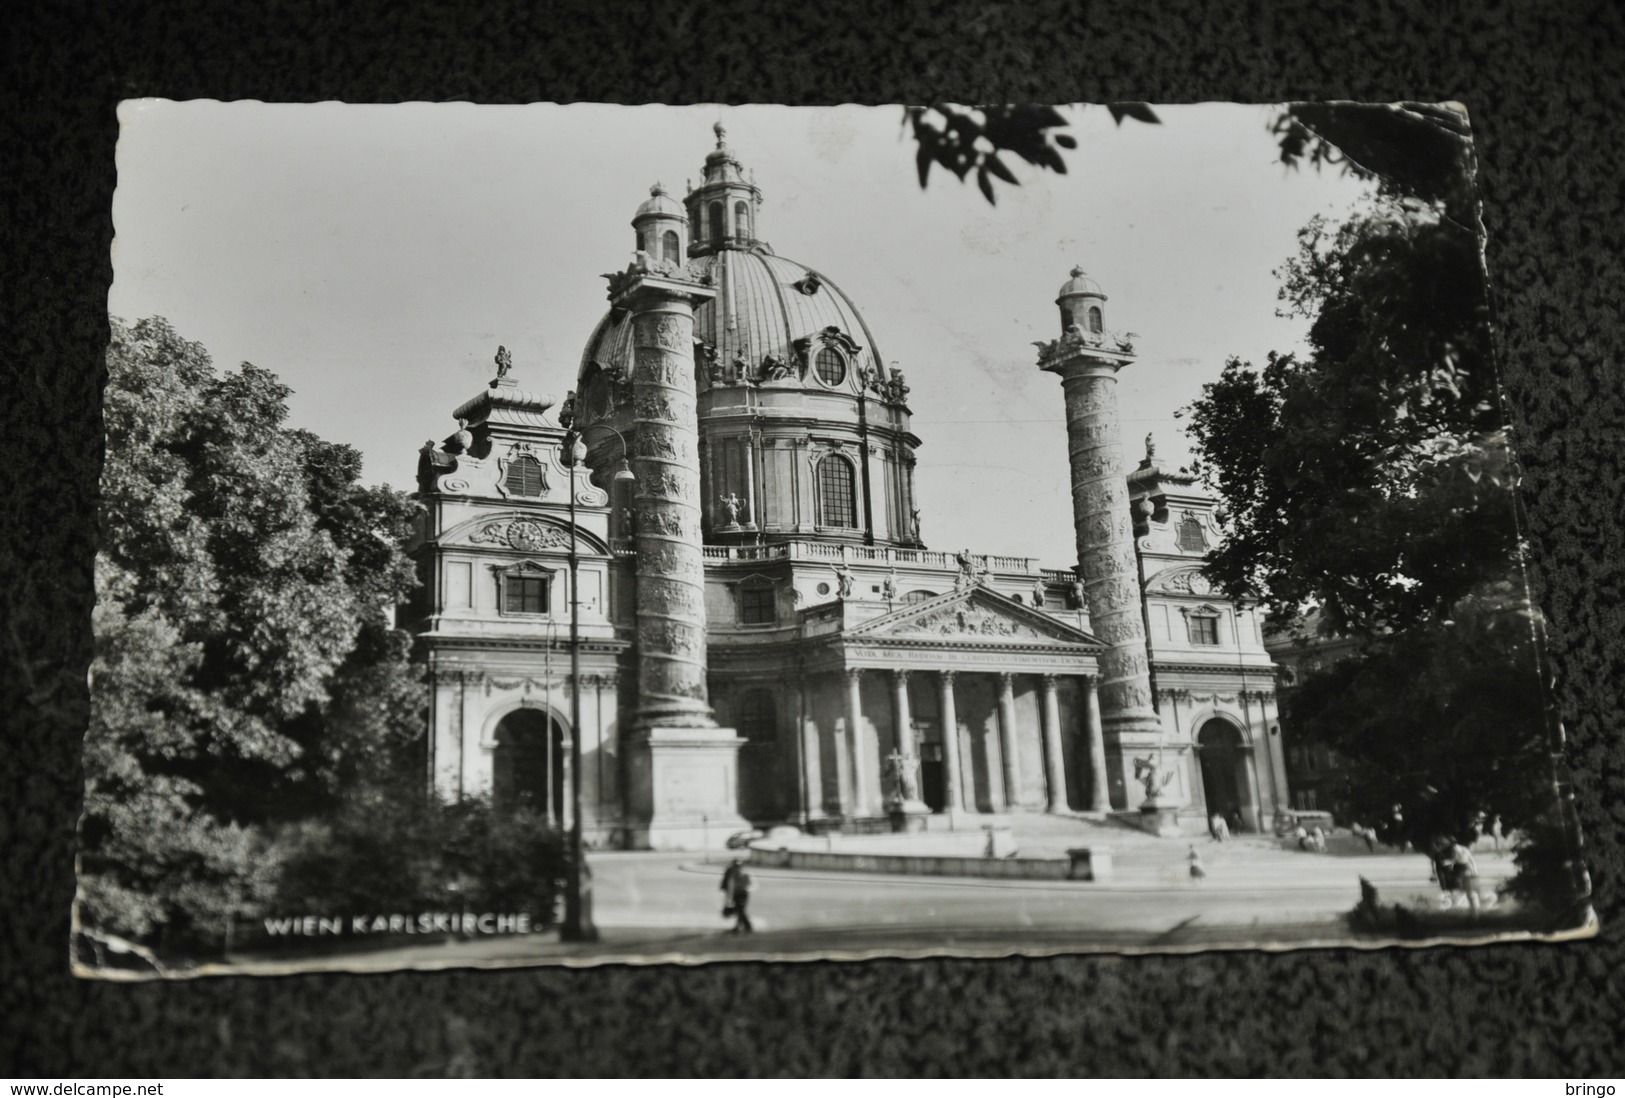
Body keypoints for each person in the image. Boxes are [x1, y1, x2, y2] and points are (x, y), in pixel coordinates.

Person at [720, 858, 753, 934]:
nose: (736, 867)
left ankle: (746, 926)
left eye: (738, 866)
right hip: (736, 894)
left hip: (743, 894)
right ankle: (743, 927)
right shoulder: (732, 874)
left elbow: (749, 884)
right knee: (740, 911)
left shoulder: (745, 874)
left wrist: (743, 885)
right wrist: (728, 896)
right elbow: (729, 885)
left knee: (741, 911)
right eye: (735, 865)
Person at [1451, 839, 1482, 918]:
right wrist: (1474, 870)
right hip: (1465, 869)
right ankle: (1474, 911)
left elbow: (1458, 859)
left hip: (1463, 869)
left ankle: (1474, 912)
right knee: (1469, 892)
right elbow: (1471, 860)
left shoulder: (1456, 849)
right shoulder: (1464, 849)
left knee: (1469, 892)